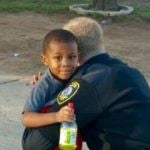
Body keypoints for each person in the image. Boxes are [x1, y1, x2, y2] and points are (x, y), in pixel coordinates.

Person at [25, 17, 150, 150]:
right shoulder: (133, 73)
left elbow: (33, 144)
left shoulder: (89, 82)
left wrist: (45, 97)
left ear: (75, 50)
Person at [22, 29, 81, 150]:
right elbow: (26, 119)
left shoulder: (79, 77)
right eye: (58, 58)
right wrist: (56, 116)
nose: (66, 63)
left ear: (78, 57)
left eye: (72, 57)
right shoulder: (43, 86)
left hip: (70, 140)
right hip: (46, 141)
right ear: (45, 60)